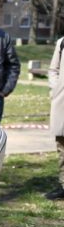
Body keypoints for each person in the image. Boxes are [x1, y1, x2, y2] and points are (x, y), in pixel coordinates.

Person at [46, 36, 64, 200]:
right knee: (62, 145)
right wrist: (56, 88)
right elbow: (53, 70)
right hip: (62, 102)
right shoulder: (62, 42)